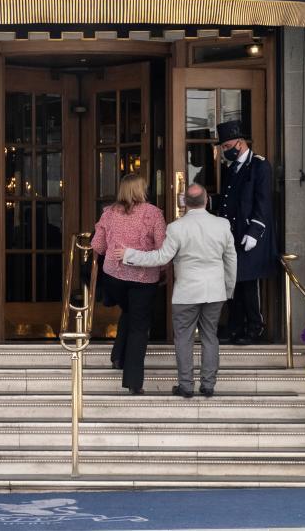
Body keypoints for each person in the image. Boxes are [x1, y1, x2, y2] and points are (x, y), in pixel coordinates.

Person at [113, 184, 236, 398]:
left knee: (184, 339)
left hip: (186, 294)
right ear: (206, 200)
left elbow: (161, 257)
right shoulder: (222, 225)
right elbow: (231, 260)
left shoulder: (176, 228)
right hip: (214, 291)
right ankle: (208, 385)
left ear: (185, 202)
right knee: (210, 337)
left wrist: (129, 255)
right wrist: (228, 288)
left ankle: (186, 386)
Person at [91, 173, 166, 394]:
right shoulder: (153, 213)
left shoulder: (108, 213)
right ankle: (133, 382)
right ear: (141, 189)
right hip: (144, 278)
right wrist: (165, 271)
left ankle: (118, 357)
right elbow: (162, 248)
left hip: (114, 278)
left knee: (130, 311)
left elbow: (98, 246)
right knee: (139, 326)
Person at [213, 120, 276, 345]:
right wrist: (205, 201)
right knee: (233, 282)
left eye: (227, 146)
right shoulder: (232, 168)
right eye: (223, 147)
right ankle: (235, 327)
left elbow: (263, 201)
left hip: (250, 234)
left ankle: (254, 328)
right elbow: (228, 200)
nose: (224, 150)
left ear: (240, 143)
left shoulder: (259, 166)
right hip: (232, 234)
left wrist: (254, 231)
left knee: (248, 283)